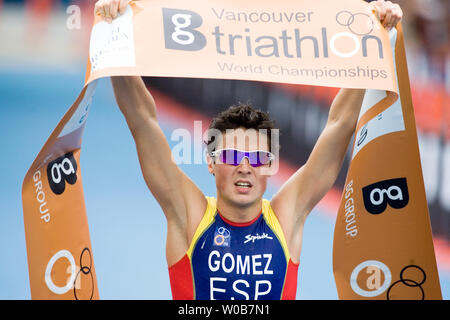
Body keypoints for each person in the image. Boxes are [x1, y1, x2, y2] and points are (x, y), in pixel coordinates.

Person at [94, 0, 403, 300]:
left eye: (257, 158)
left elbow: (339, 125)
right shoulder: (189, 214)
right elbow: (142, 119)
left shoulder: (286, 216)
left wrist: (370, 42)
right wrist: (115, 36)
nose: (245, 167)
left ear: (270, 166)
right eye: (231, 156)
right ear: (211, 162)